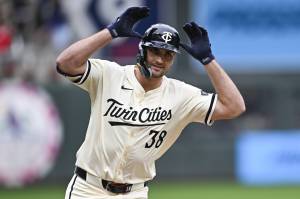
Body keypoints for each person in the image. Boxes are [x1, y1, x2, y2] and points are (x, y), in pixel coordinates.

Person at [56, 6, 245, 199]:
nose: (160, 60)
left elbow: (234, 106)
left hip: (134, 192)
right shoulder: (110, 74)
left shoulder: (181, 94)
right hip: (88, 189)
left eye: (167, 54)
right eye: (155, 51)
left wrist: (208, 59)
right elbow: (65, 63)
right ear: (142, 50)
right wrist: (110, 32)